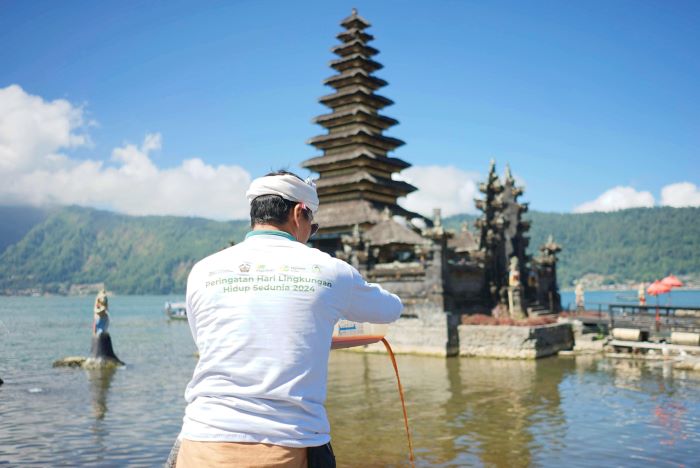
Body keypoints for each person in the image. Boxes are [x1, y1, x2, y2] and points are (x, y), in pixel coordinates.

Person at [175, 171, 403, 467]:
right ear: (298, 213)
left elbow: (208, 341)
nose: (311, 232)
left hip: (201, 442)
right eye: (313, 226)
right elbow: (390, 309)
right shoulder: (330, 269)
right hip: (288, 446)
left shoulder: (203, 271)